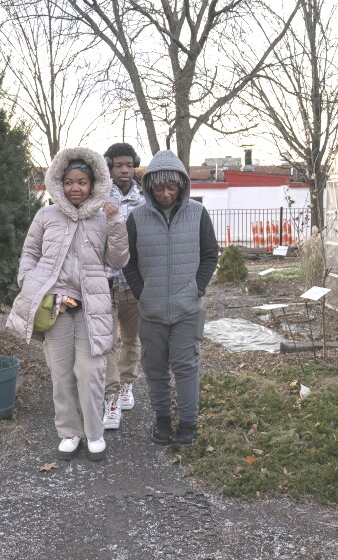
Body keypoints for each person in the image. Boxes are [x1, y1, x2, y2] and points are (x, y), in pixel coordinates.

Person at [7, 147, 128, 461]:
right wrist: (31, 286)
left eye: (83, 182)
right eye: (70, 181)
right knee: (61, 375)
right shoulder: (46, 216)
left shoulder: (104, 217)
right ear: (59, 184)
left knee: (91, 372)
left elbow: (118, 260)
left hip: (92, 309)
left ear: (93, 184)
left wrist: (115, 224)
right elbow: (29, 255)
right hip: (56, 310)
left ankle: (94, 433)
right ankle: (69, 433)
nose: (75, 188)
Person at [123, 149, 218, 447]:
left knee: (186, 366)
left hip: (187, 308)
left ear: (181, 185)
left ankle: (188, 424)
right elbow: (129, 261)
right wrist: (142, 292)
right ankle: (162, 420)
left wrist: (197, 287)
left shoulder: (198, 214)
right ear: (150, 186)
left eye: (171, 187)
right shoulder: (136, 218)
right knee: (154, 369)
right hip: (150, 311)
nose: (165, 193)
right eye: (160, 187)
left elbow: (210, 255)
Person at [101, 142, 144, 430]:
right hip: (104, 282)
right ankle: (111, 397)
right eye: (119, 165)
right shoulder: (99, 199)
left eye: (129, 164)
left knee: (131, 339)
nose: (125, 169)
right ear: (110, 167)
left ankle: (127, 384)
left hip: (134, 283)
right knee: (105, 343)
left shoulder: (144, 200)